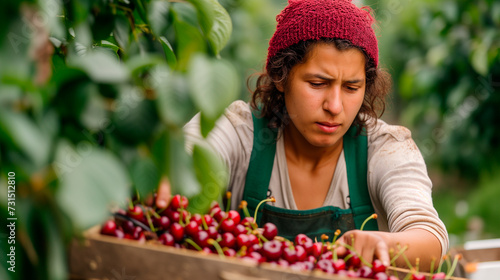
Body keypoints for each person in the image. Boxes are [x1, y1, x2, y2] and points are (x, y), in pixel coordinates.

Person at [156, 0, 448, 270]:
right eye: (318, 83)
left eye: (351, 87)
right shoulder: (241, 130)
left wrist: (385, 243)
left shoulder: (386, 147)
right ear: (282, 77)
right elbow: (187, 156)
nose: (334, 107)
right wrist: (169, 177)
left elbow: (429, 237)